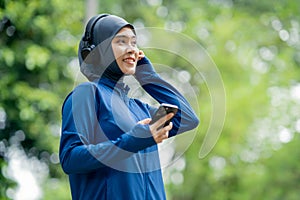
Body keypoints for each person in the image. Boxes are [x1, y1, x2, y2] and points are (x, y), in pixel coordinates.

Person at [59, 13, 199, 200]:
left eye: (134, 43)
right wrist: (133, 140)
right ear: (97, 51)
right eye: (121, 42)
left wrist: (147, 76)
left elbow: (187, 119)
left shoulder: (137, 107)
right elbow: (70, 158)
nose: (132, 49)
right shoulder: (87, 94)